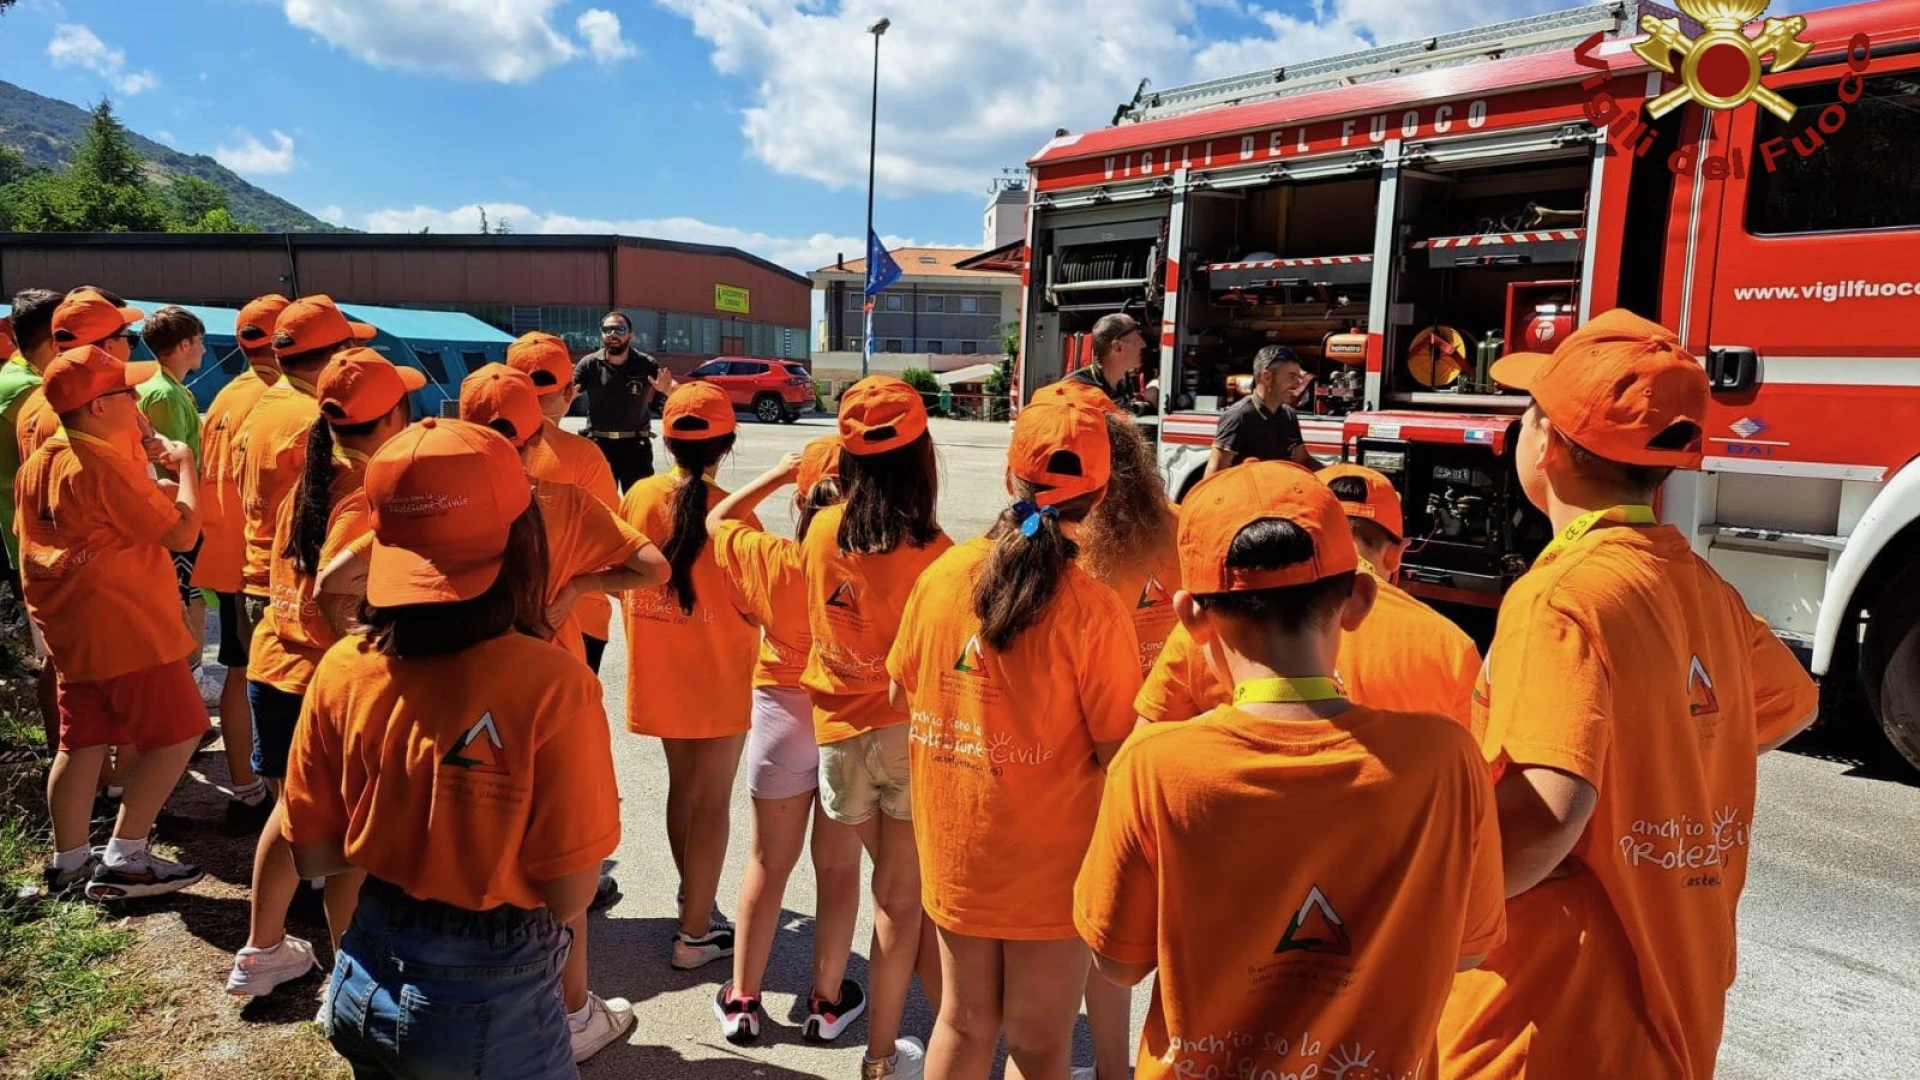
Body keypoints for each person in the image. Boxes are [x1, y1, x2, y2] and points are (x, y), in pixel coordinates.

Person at [1437, 310, 1820, 1080]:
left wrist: (1423, 916)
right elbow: (1791, 702)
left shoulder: (1562, 596)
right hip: (1676, 1007)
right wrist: (1660, 758)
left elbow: (1548, 810)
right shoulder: (1699, 584)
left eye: (1527, 413)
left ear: (1548, 445)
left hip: (1546, 1020)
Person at [1074, 463, 1506, 1080]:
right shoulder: (1446, 761)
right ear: (1357, 600)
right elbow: (1471, 950)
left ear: (1191, 616)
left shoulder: (1152, 769)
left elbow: (1117, 963)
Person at [282, 417, 621, 1080]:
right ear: (525, 537)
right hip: (492, 995)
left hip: (362, 968)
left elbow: (315, 851)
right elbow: (570, 891)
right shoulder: (553, 685)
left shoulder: (344, 665)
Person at [888, 384, 1140, 1080]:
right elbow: (1121, 750)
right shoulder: (1094, 610)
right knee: (1040, 1046)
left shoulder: (940, 579)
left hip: (958, 845)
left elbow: (900, 687)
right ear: (1101, 494)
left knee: (963, 1024)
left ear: (1009, 475)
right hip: (1052, 868)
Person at [225, 348, 420, 1000]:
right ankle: (349, 978)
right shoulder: (367, 497)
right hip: (325, 687)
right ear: (394, 414)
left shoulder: (311, 479)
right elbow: (343, 603)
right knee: (346, 844)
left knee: (291, 816)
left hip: (274, 666)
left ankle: (261, 950)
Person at [802, 375, 955, 1080]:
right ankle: (882, 1059)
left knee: (894, 892)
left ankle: (930, 1028)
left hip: (836, 736)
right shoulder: (940, 554)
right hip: (905, 736)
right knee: (900, 901)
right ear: (922, 454)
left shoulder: (820, 529)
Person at [18, 343, 210, 901]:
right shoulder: (100, 462)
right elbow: (182, 533)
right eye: (124, 392)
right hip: (125, 622)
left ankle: (68, 861)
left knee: (80, 745)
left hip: (73, 626)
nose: (134, 398)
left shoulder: (45, 456)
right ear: (99, 407)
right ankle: (126, 855)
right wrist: (184, 466)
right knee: (182, 732)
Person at [703, 435, 866, 1045]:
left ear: (801, 505)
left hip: (778, 706)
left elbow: (719, 518)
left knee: (768, 861)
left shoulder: (771, 557)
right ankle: (826, 1003)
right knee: (838, 865)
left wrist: (775, 473)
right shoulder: (865, 566)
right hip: (842, 713)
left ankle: (743, 997)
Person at [619, 381, 753, 977]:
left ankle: (691, 900)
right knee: (712, 799)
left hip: (661, 664)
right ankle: (696, 931)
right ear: (727, 443)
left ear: (664, 437)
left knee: (684, 790)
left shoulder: (640, 496)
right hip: (719, 671)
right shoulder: (735, 509)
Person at [1068, 403, 1180, 1080]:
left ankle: (1111, 1067)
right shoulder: (1176, 529)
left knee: (1099, 929)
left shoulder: (1072, 545)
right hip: (1176, 739)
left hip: (1099, 748)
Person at [236, 296, 378, 708]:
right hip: (306, 595)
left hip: (264, 582)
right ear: (337, 352)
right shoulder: (315, 418)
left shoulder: (264, 402)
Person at [193, 294, 289, 827]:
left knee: (238, 668)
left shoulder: (226, 394)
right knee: (280, 679)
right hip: (267, 561)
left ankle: (246, 788)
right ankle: (284, 798)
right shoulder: (285, 399)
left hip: (228, 554)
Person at [507, 331, 624, 673]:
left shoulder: (482, 446)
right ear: (569, 393)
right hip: (576, 615)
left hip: (501, 612)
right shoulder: (583, 456)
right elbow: (611, 547)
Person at [0, 288, 66, 755]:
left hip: (24, 533)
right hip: (33, 538)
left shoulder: (17, 378)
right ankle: (76, 760)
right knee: (58, 659)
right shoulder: (31, 391)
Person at [136, 306, 210, 657]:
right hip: (175, 512)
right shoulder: (164, 393)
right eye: (199, 341)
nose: (204, 350)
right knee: (187, 594)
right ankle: (190, 670)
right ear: (183, 345)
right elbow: (172, 463)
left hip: (172, 509)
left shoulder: (164, 386)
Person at [574, 311, 674, 492]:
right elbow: (566, 394)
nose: (613, 334)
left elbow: (673, 389)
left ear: (630, 334)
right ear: (602, 334)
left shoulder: (645, 363)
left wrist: (666, 389)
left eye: (620, 329)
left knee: (639, 506)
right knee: (601, 508)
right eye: (608, 329)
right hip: (599, 446)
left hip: (635, 447)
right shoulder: (589, 364)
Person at [1204, 345, 1320, 475]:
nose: (1298, 384)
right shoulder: (1239, 416)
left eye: (1299, 377)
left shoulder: (1288, 415)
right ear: (1267, 377)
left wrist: (1336, 474)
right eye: (1291, 377)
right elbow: (1213, 475)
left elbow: (1303, 460)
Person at [1061, 313, 1145, 405]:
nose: (1143, 344)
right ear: (1117, 346)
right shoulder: (1077, 388)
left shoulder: (1121, 386)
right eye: (1137, 340)